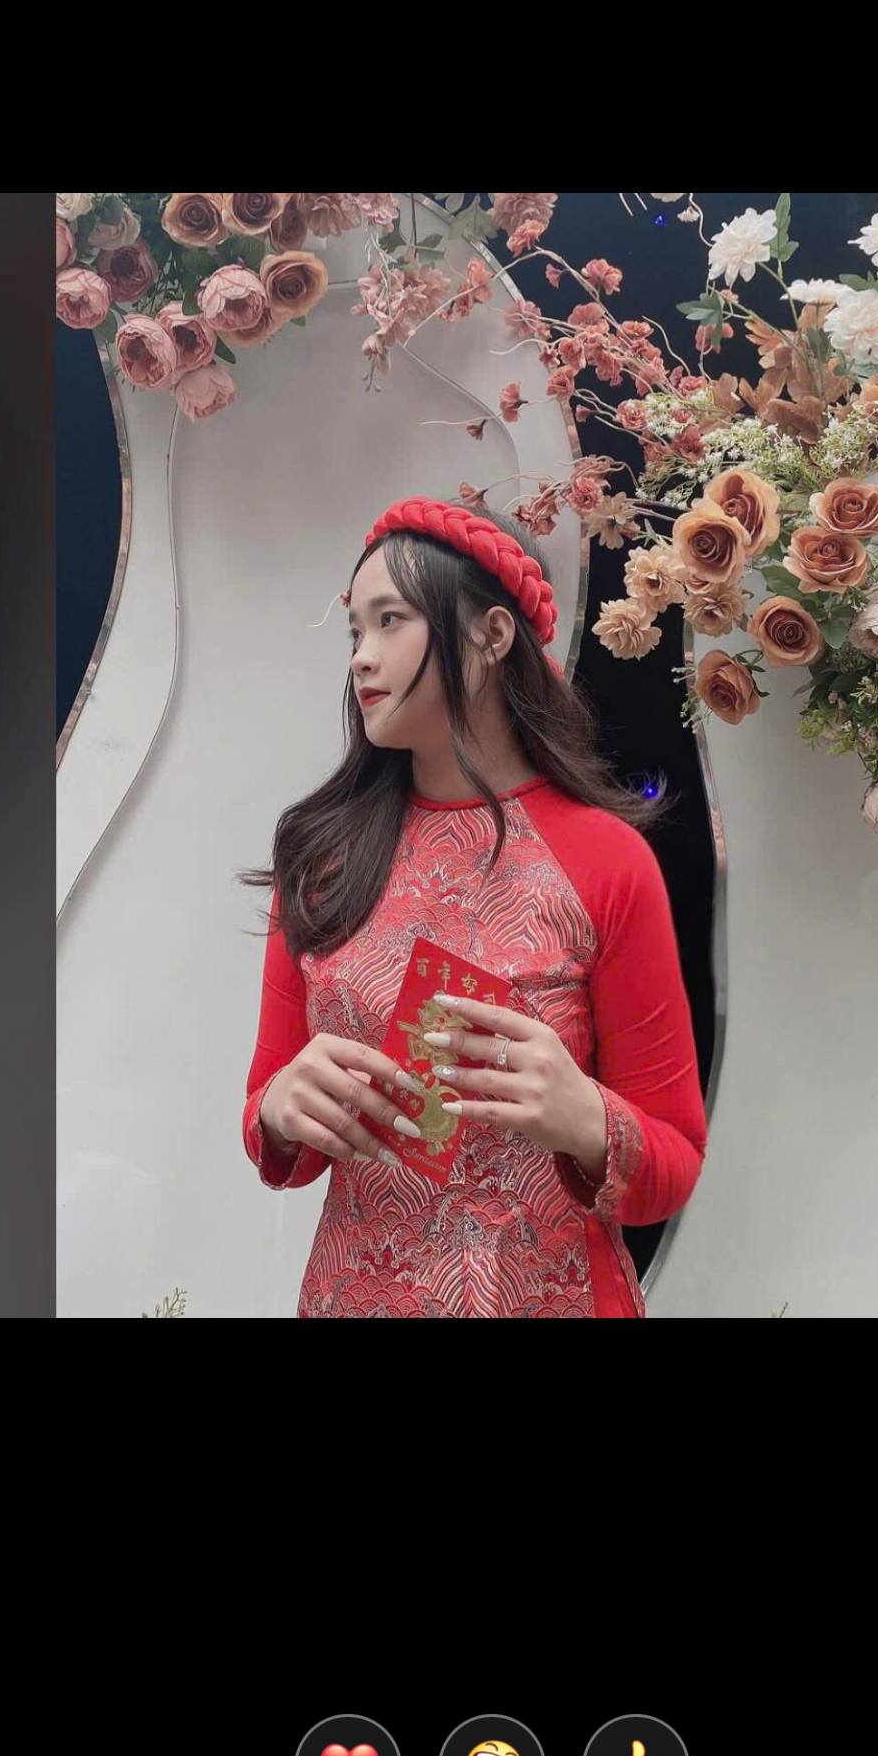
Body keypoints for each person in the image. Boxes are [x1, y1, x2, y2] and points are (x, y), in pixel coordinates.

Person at [238, 497, 707, 1317]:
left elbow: (673, 1161)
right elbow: (274, 1133)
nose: (361, 658)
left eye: (390, 621)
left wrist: (584, 1118)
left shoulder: (606, 861)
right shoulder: (319, 861)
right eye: (354, 632)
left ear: (491, 636)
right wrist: (279, 1110)